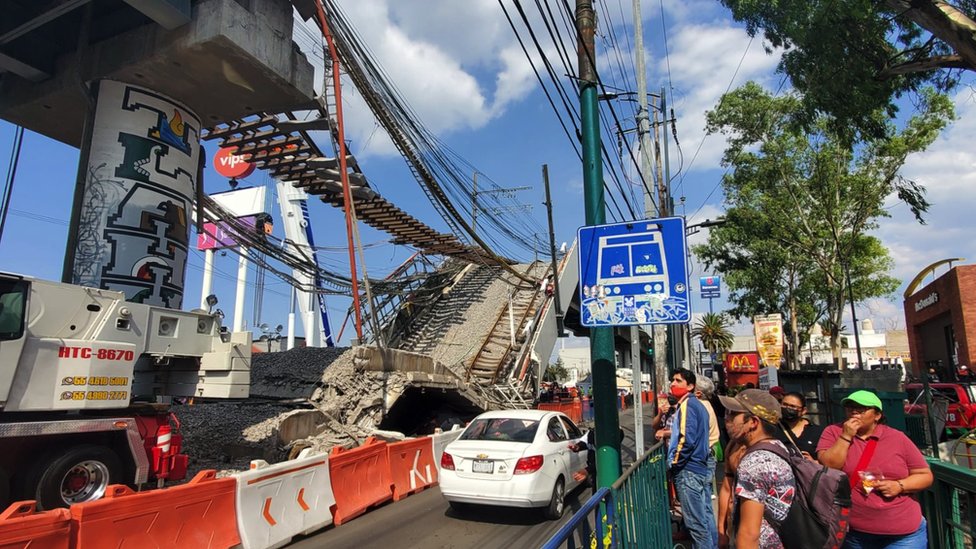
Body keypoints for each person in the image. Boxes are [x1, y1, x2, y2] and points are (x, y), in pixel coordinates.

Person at [817, 390, 933, 548]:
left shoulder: (897, 438)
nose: (854, 412)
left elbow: (924, 475)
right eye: (850, 408)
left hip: (902, 533)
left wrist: (899, 486)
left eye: (862, 409)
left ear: (877, 415)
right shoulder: (833, 432)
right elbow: (829, 466)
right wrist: (846, 436)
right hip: (854, 532)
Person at [718, 389, 795, 549]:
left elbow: (749, 534)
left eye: (733, 414)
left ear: (753, 422)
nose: (727, 419)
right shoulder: (777, 447)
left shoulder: (755, 464)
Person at [666, 368, 717, 549]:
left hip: (689, 471)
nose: (673, 384)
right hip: (699, 468)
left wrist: (674, 463)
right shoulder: (699, 405)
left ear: (690, 386)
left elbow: (686, 439)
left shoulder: (688, 405)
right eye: (673, 380)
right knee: (703, 518)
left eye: (678, 381)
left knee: (696, 525)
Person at [778, 391, 823, 460]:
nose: (788, 408)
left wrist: (814, 462)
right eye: (784, 404)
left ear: (803, 410)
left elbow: (827, 460)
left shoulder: (817, 431)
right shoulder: (773, 428)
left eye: (793, 406)